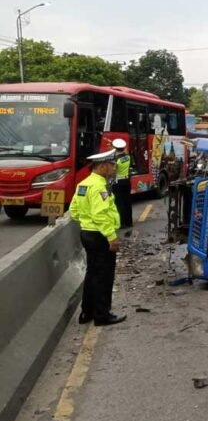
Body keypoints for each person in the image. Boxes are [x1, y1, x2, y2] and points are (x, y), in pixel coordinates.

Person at [69, 150, 126, 326]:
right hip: (100, 236)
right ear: (102, 166)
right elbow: (100, 214)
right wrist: (111, 237)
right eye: (112, 165)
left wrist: (86, 222)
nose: (114, 168)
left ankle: (87, 312)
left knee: (92, 273)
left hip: (87, 233)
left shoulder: (83, 184)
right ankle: (102, 315)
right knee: (104, 275)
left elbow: (74, 211)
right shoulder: (99, 187)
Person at [112, 138, 133, 229]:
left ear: (115, 148)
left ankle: (121, 223)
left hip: (118, 182)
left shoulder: (116, 160)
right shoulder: (128, 157)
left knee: (119, 203)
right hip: (127, 181)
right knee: (127, 202)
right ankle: (129, 222)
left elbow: (113, 172)